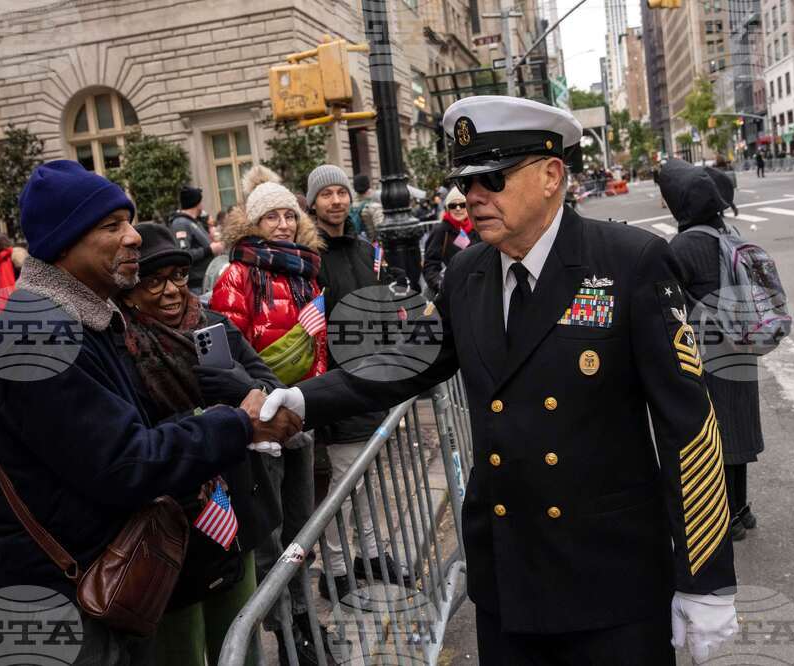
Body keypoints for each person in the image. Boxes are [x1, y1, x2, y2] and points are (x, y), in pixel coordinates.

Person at [262, 96, 740, 665]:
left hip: (610, 579)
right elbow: (408, 360)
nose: (472, 196)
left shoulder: (629, 262)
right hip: (508, 578)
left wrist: (705, 580)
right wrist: (299, 399)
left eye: (492, 177)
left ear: (550, 175)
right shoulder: (469, 271)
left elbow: (687, 423)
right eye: (465, 180)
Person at [0, 160, 301, 665]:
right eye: (111, 226)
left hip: (89, 577)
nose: (133, 238)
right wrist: (237, 422)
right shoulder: (36, 334)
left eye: (128, 221)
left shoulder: (85, 320)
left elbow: (130, 437)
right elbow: (125, 461)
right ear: (63, 243)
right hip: (51, 595)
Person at [117, 222, 281, 666]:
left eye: (176, 277)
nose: (171, 291)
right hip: (168, 529)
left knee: (239, 640)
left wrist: (241, 385)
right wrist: (207, 423)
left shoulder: (212, 325)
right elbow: (128, 439)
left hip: (232, 511)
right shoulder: (120, 345)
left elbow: (270, 385)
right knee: (179, 650)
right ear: (129, 292)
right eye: (153, 282)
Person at [210, 165, 331, 665]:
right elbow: (227, 353)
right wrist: (261, 402)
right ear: (252, 224)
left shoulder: (307, 271)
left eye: (288, 214)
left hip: (303, 414)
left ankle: (303, 622)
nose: (282, 224)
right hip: (262, 424)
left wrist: (316, 396)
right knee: (271, 534)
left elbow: (319, 344)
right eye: (271, 217)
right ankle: (284, 631)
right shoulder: (236, 274)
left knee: (303, 530)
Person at [304, 162, 408, 601]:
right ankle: (337, 569)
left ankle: (368, 554)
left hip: (375, 377)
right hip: (339, 383)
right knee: (342, 488)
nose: (336, 201)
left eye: (341, 192)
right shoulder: (308, 254)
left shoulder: (366, 249)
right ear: (312, 202)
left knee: (369, 480)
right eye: (326, 194)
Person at [660, 161, 763, 543]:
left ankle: (728, 517)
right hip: (741, 345)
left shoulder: (684, 246)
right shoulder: (728, 233)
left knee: (715, 436)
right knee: (738, 430)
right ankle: (743, 508)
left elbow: (670, 301)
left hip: (709, 352)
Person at [422, 187, 481, 300]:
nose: (458, 208)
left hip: (478, 290)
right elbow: (430, 265)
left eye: (462, 205)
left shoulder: (477, 227)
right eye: (453, 205)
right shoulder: (440, 230)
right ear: (447, 208)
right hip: (453, 293)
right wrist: (441, 285)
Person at [170, 186, 224, 294]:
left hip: (205, 281)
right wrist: (210, 249)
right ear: (197, 203)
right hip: (196, 286)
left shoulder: (194, 222)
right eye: (201, 202)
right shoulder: (181, 223)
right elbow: (183, 254)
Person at [349, 174, 382, 242]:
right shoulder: (374, 207)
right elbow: (381, 230)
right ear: (368, 186)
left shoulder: (350, 207)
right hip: (371, 246)